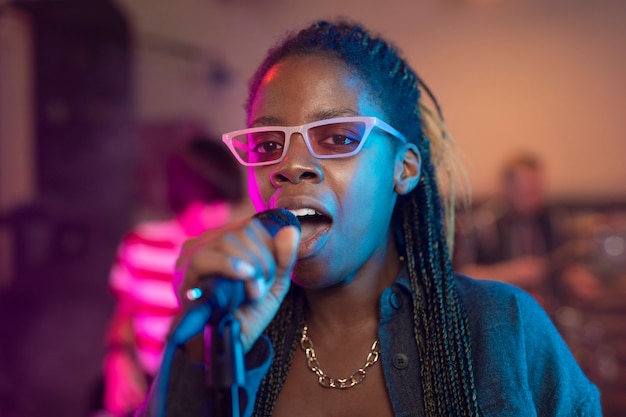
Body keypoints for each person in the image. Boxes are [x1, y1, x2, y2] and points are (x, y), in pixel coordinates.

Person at [137, 20, 601, 416]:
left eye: (337, 138)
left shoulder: (503, 328)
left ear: (403, 169)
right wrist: (206, 354)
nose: (288, 165)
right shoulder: (224, 340)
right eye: (267, 145)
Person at [99, 136, 251, 417]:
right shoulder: (140, 245)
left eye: (223, 202)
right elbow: (125, 315)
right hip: (150, 386)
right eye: (206, 203)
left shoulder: (236, 253)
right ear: (181, 197)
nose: (217, 214)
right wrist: (117, 358)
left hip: (210, 392)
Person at [453, 152, 602, 311]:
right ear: (506, 188)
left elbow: (563, 265)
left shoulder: (552, 221)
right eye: (526, 191)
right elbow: (463, 277)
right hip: (500, 312)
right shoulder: (484, 225)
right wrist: (513, 272)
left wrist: (575, 279)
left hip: (546, 312)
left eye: (537, 190)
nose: (533, 198)